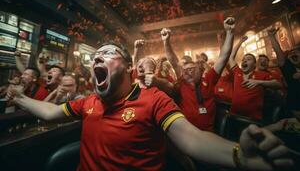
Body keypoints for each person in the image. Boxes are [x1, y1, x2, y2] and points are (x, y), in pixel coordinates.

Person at [6, 42, 295, 171]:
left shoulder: (153, 99)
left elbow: (191, 138)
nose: (97, 59)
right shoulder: (89, 102)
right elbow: (50, 112)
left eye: (107, 54)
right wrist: (18, 97)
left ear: (129, 67)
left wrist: (238, 155)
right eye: (95, 56)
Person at [162, 17, 235, 131]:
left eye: (192, 68)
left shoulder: (209, 78)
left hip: (209, 134)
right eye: (186, 70)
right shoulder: (182, 82)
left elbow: (223, 57)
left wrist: (230, 33)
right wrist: (166, 41)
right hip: (187, 135)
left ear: (200, 70)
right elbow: (173, 61)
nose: (189, 71)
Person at [228, 36, 281, 121]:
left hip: (252, 119)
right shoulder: (238, 72)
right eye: (243, 59)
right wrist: (240, 42)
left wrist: (258, 82)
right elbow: (231, 57)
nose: (244, 61)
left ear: (254, 64)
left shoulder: (261, 75)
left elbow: (278, 84)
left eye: (248, 59)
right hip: (234, 116)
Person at [268, 27, 300, 112]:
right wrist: (271, 37)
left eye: (296, 51)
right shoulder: (289, 67)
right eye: (291, 52)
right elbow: (278, 52)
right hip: (294, 107)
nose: (293, 52)